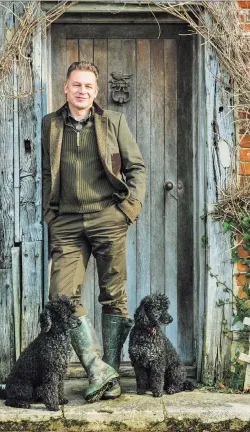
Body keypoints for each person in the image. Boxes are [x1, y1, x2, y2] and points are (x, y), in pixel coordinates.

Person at [42, 61, 146, 402]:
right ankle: (97, 369)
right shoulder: (51, 125)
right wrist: (50, 215)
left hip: (108, 218)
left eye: (88, 86)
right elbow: (47, 173)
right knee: (62, 297)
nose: (82, 91)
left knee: (113, 295)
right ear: (66, 88)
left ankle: (110, 377)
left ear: (96, 91)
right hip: (67, 223)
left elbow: (136, 167)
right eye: (76, 85)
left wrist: (128, 211)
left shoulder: (113, 122)